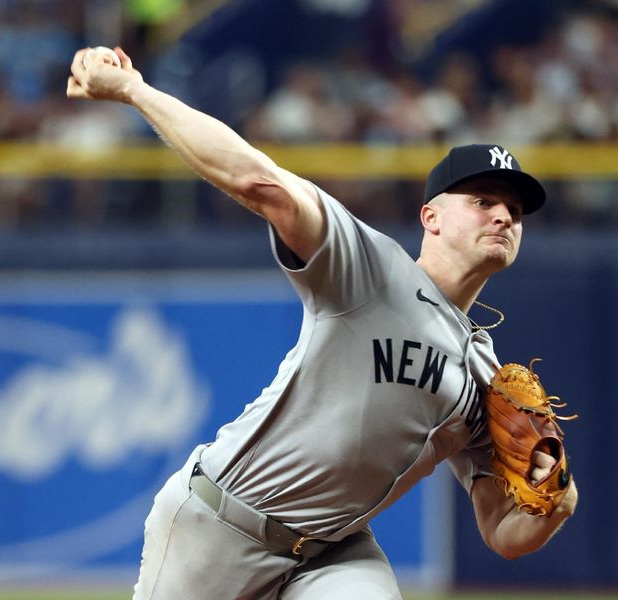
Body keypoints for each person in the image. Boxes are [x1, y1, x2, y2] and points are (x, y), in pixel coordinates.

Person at [66, 46, 578, 600]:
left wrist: (558, 497)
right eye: (483, 201)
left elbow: (503, 533)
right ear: (430, 216)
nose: (504, 216)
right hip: (220, 526)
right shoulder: (370, 267)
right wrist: (135, 91)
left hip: (333, 552)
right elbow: (262, 184)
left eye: (515, 211)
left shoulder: (486, 376)